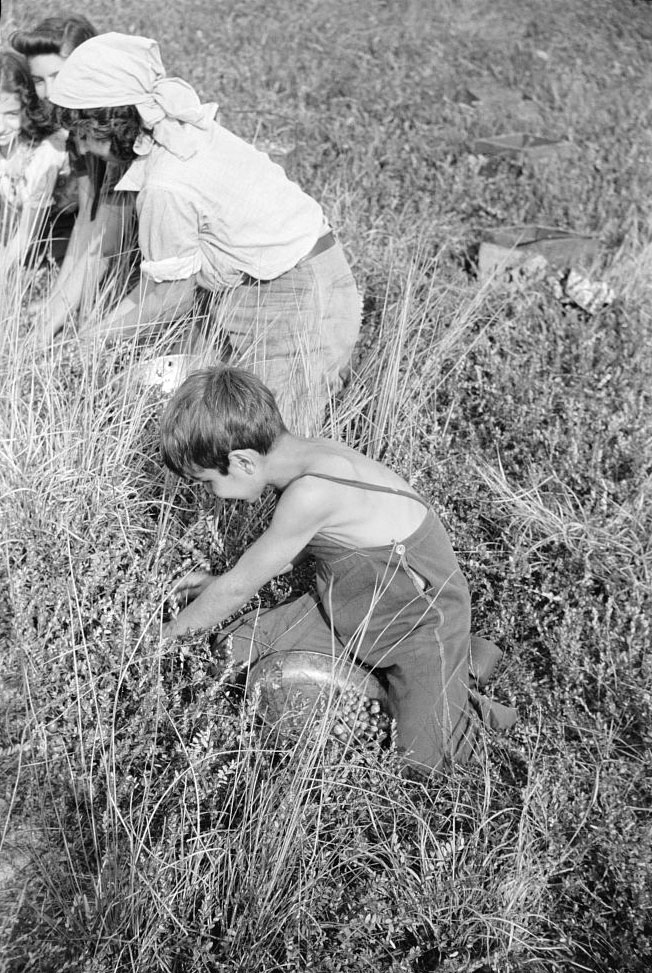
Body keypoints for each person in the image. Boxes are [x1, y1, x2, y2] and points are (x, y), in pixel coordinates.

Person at [159, 366, 517, 774]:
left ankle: (464, 685)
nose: (211, 495)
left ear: (242, 462)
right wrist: (219, 585)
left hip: (419, 619)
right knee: (231, 653)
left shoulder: (312, 492)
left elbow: (241, 589)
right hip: (351, 604)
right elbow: (286, 552)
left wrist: (160, 641)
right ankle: (431, 677)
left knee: (423, 766)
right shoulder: (304, 458)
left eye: (207, 482)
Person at [48, 33, 361, 431]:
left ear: (113, 123)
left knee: (271, 440)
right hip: (275, 284)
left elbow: (169, 299)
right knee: (218, 426)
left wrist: (91, 342)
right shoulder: (179, 132)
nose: (83, 147)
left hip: (295, 299)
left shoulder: (166, 184)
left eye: (86, 133)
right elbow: (163, 287)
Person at [10, 16, 135, 339]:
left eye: (58, 75)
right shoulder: (75, 132)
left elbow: (107, 242)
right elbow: (86, 222)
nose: (50, 92)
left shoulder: (116, 127)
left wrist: (51, 322)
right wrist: (56, 303)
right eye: (39, 81)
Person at [0, 51, 68, 270]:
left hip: (56, 243)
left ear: (26, 110)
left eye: (11, 115)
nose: (1, 128)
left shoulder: (45, 151)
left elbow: (27, 233)